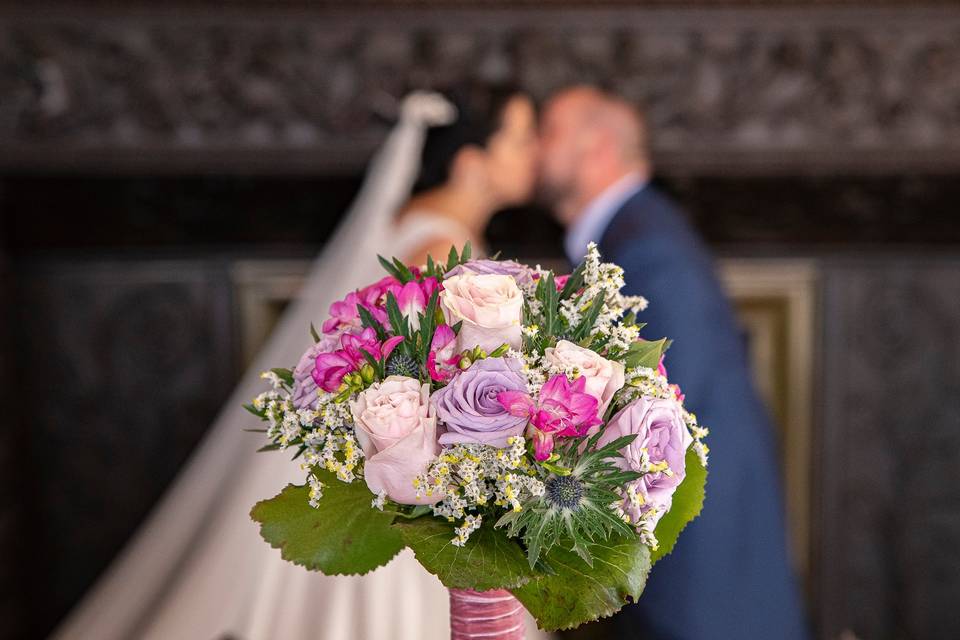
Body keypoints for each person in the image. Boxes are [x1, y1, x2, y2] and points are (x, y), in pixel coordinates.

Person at [51, 86, 543, 640]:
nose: (536, 151)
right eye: (522, 138)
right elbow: (417, 377)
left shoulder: (429, 226)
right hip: (412, 477)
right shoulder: (437, 246)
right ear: (471, 161)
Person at [539, 86, 808, 639]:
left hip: (698, 563)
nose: (537, 149)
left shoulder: (645, 250)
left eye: (550, 132)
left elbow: (665, 415)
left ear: (599, 147)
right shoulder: (639, 233)